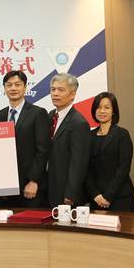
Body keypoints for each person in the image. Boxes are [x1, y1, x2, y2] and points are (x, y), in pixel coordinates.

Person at [0, 70, 51, 208]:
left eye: (17, 84)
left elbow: (43, 150)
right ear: (4, 89)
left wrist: (33, 180)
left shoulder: (38, 113)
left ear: (25, 87)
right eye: (9, 85)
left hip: (30, 187)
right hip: (6, 187)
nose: (13, 88)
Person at [84, 92, 134, 212]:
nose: (102, 111)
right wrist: (95, 194)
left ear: (113, 111)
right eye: (99, 107)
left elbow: (123, 168)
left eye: (107, 107)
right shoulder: (89, 136)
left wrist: (108, 196)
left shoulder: (122, 134)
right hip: (96, 199)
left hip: (120, 197)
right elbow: (85, 169)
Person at [46, 73, 91, 208]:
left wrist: (71, 193)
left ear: (72, 94)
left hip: (65, 191)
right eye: (53, 89)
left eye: (61, 90)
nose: (55, 93)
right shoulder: (50, 116)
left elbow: (79, 162)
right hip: (48, 187)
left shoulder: (79, 123)